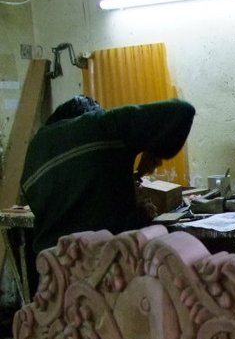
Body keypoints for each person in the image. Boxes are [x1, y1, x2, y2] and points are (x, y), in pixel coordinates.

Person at [21, 95, 196, 256]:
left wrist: (132, 211)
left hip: (53, 265)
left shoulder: (35, 149)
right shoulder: (101, 125)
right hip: (106, 264)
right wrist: (154, 152)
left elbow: (75, 212)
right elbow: (182, 111)